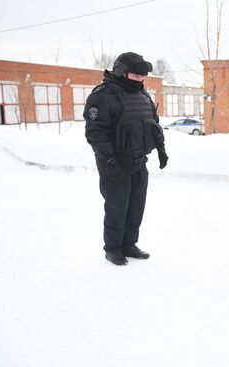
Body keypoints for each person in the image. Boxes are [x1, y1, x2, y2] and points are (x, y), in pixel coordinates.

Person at [84, 52, 169, 266]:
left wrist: (161, 149)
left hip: (139, 162)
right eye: (137, 77)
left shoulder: (143, 96)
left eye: (143, 78)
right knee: (117, 207)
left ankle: (129, 244)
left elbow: (153, 124)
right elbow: (96, 133)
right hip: (115, 162)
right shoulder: (102, 96)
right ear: (122, 72)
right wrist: (109, 161)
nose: (141, 81)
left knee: (136, 206)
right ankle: (113, 248)